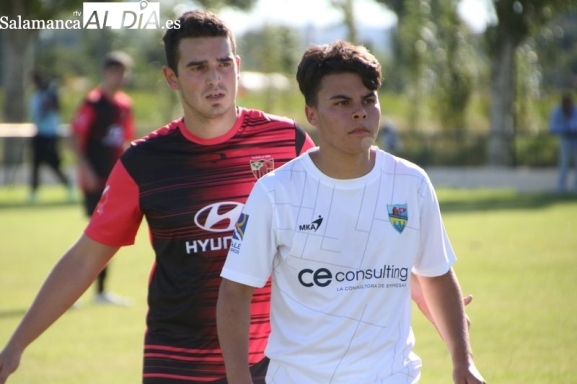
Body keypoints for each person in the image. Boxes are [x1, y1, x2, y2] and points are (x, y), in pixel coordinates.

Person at [0, 10, 316, 384]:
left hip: (273, 361)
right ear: (172, 77)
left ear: (237, 66)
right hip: (177, 363)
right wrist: (14, 347)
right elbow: (85, 258)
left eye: (223, 63)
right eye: (198, 67)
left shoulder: (287, 143)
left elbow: (338, 227)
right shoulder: (144, 162)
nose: (215, 78)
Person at [217, 40, 486, 383]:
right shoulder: (275, 192)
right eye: (342, 103)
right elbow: (235, 291)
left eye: (368, 100)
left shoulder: (410, 182)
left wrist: (463, 361)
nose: (359, 112)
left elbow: (436, 274)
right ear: (311, 114)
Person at [70, 50, 135, 306]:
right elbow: (74, 138)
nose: (119, 77)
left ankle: (100, 293)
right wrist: (85, 170)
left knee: (108, 236)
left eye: (123, 72)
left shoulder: (124, 105)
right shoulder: (93, 102)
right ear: (105, 73)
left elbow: (126, 142)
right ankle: (75, 290)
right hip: (95, 180)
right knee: (95, 237)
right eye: (114, 71)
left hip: (114, 181)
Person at [27, 69, 74, 203]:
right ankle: (33, 193)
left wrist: (49, 104)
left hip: (50, 134)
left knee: (53, 163)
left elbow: (58, 107)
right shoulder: (36, 95)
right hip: (39, 133)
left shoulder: (50, 93)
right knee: (35, 164)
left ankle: (68, 184)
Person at [549, 92, 577, 193]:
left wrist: (572, 128)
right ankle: (561, 187)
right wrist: (565, 129)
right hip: (565, 139)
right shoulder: (557, 111)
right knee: (564, 163)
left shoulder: (575, 110)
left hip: (575, 139)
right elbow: (553, 127)